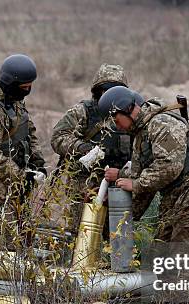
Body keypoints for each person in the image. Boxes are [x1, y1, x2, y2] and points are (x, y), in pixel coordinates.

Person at [98, 86, 189, 242]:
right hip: (175, 202)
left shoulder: (162, 123)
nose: (117, 126)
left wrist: (135, 184)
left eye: (116, 120)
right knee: (160, 256)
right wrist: (118, 205)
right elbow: (141, 182)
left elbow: (169, 167)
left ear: (127, 108)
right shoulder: (141, 136)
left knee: (186, 261)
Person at [0, 54, 46, 244]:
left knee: (25, 240)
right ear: (10, 83)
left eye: (30, 86)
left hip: (18, 185)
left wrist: (38, 162)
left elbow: (28, 131)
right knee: (7, 245)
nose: (28, 91)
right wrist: (21, 177)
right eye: (24, 87)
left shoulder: (15, 101)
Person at [50, 63, 131, 233]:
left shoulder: (129, 113)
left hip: (119, 185)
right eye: (107, 89)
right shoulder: (83, 111)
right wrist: (83, 148)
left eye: (116, 90)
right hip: (84, 187)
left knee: (118, 238)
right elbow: (58, 137)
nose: (111, 95)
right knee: (81, 236)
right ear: (98, 90)